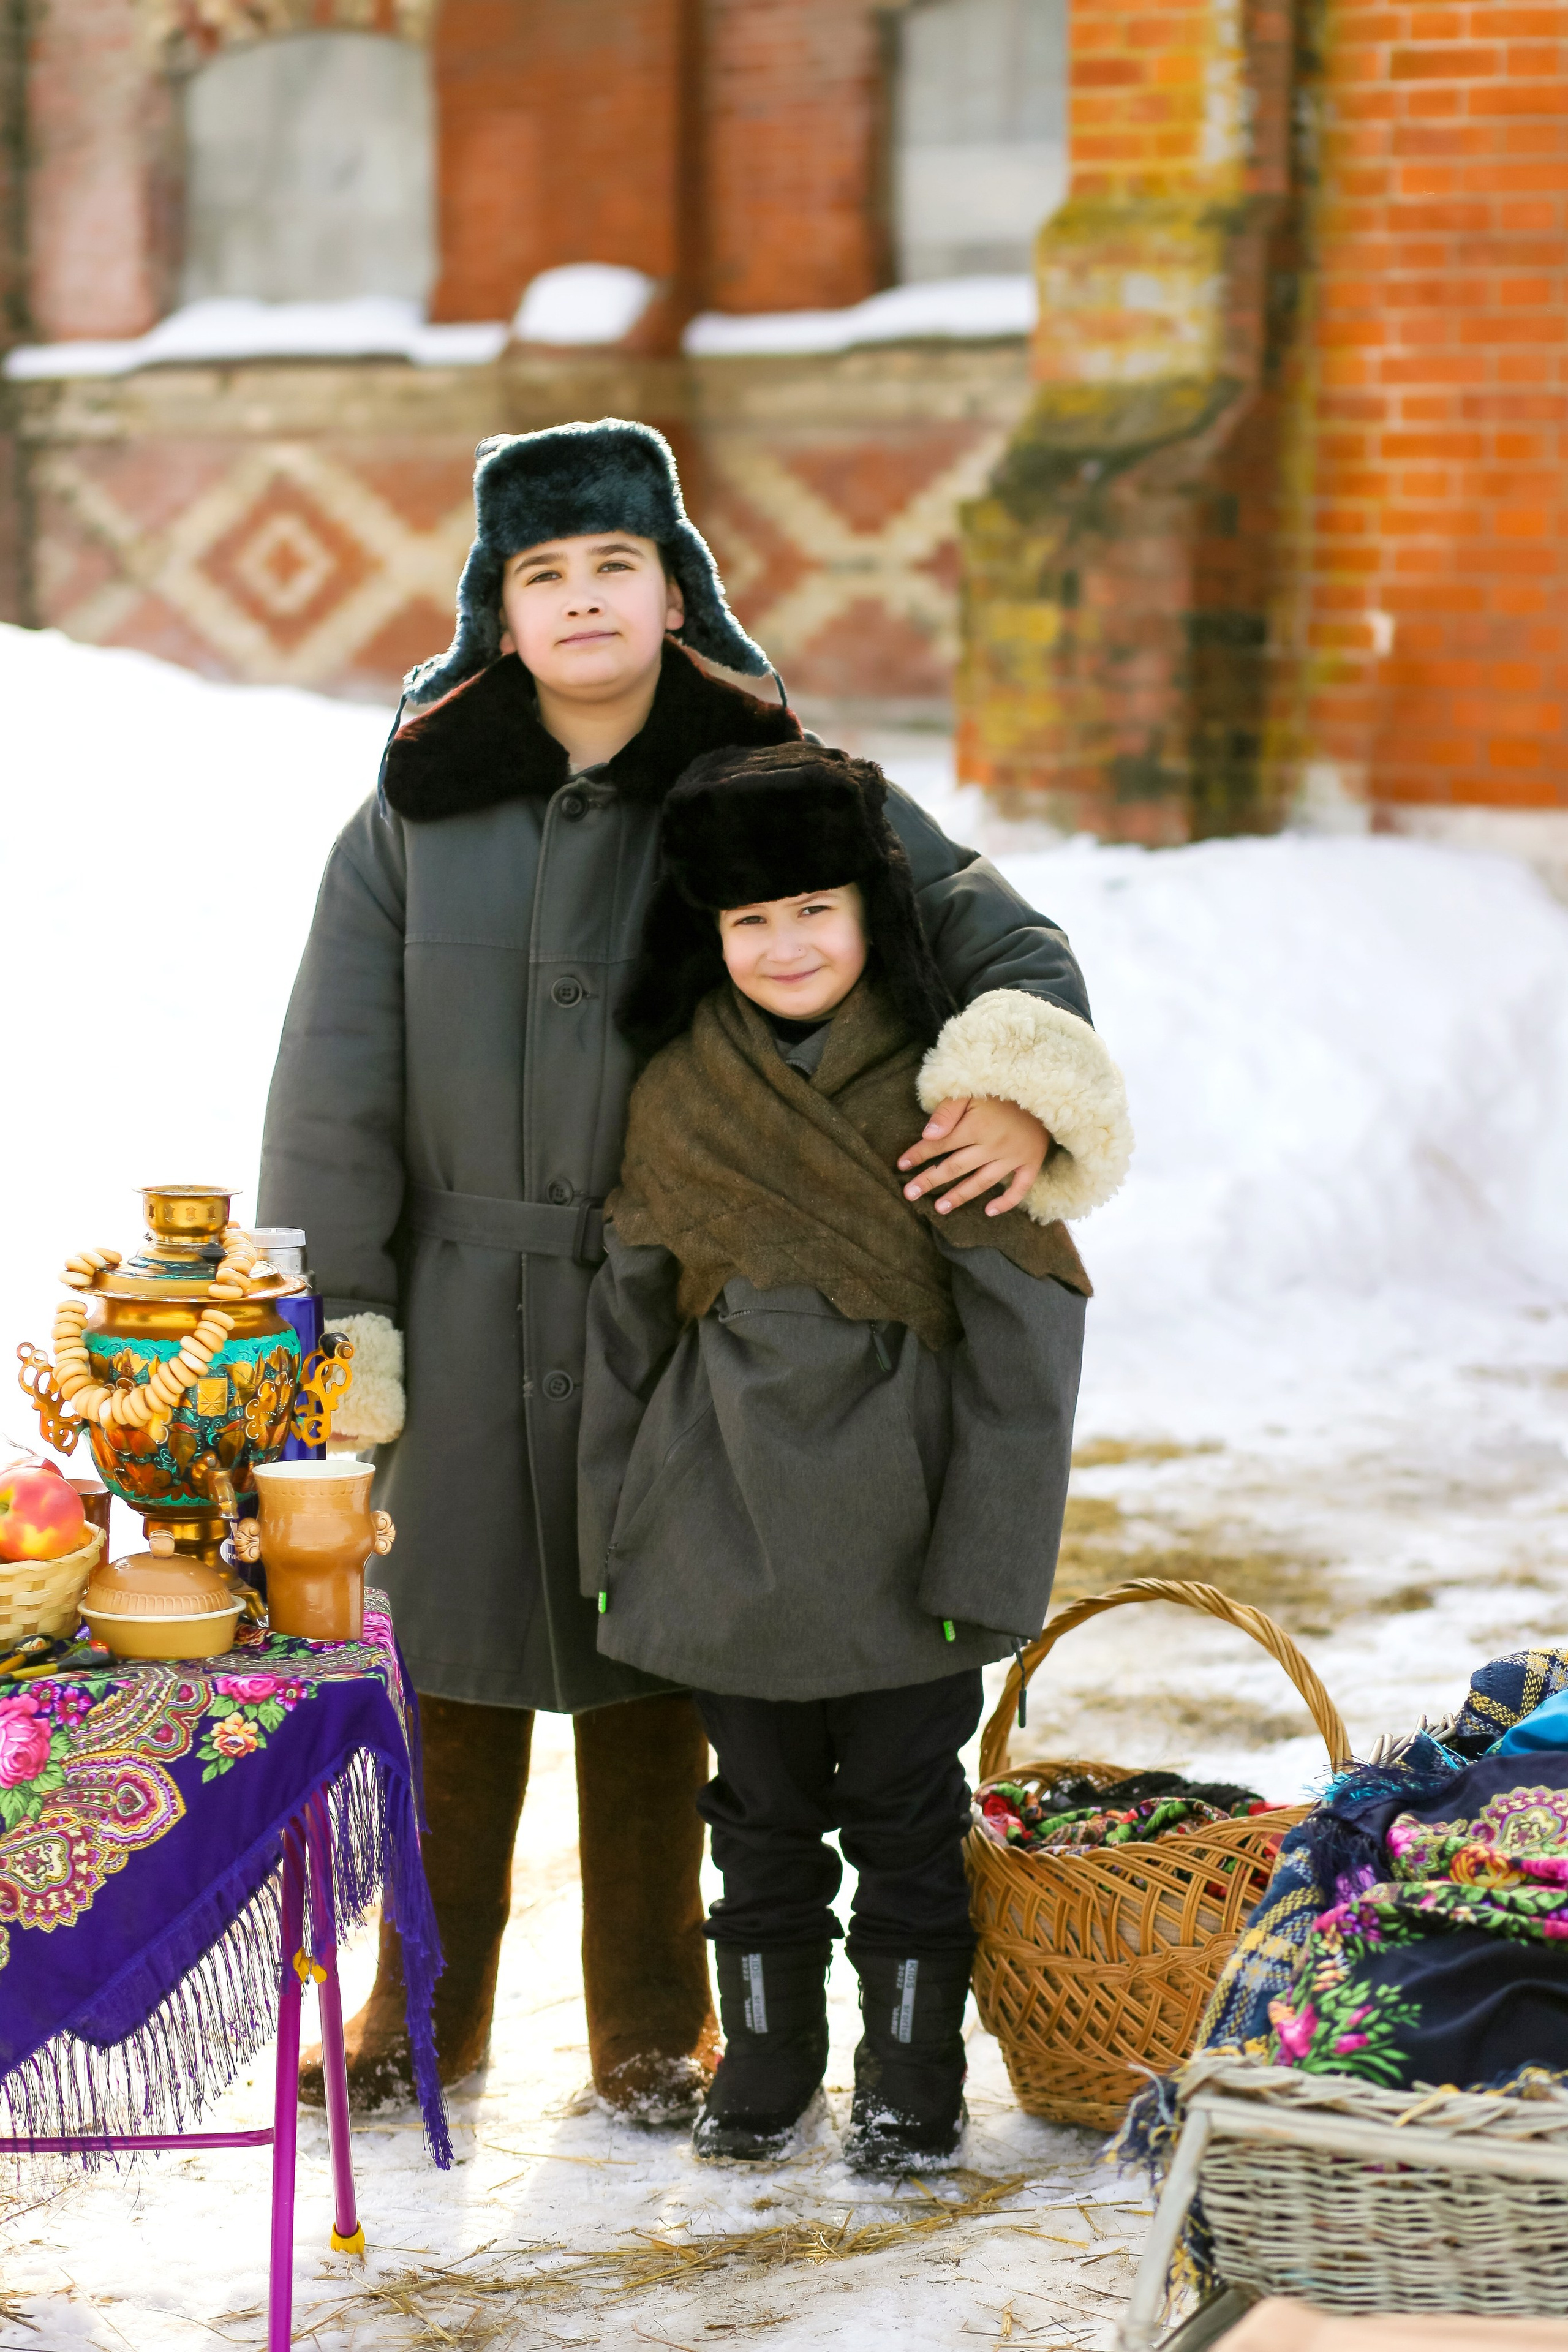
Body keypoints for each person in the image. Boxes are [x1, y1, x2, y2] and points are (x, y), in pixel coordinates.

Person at [258, 417, 1123, 2120]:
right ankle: (418, 2007)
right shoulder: (411, 820)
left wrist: (1021, 1083)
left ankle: (654, 2020)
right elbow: (330, 1084)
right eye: (544, 573)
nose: (583, 599)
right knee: (446, 1663)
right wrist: (340, 1319)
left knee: (662, 1645)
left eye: (618, 564)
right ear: (498, 613)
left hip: (687, 1314)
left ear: (678, 595)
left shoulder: (769, 784)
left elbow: (1002, 937)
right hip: (461, 1303)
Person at [578, 742, 1130, 2169]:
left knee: (905, 1821)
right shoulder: (678, 1091)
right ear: (706, 932)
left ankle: (909, 2076)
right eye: (750, 919)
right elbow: (627, 1336)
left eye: (815, 910)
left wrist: (988, 1559)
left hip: (906, 1531)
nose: (786, 945)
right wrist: (615, 1542)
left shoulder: (952, 1100)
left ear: (871, 909)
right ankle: (768, 2063)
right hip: (721, 1520)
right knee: (755, 1820)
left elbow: (1025, 1343)